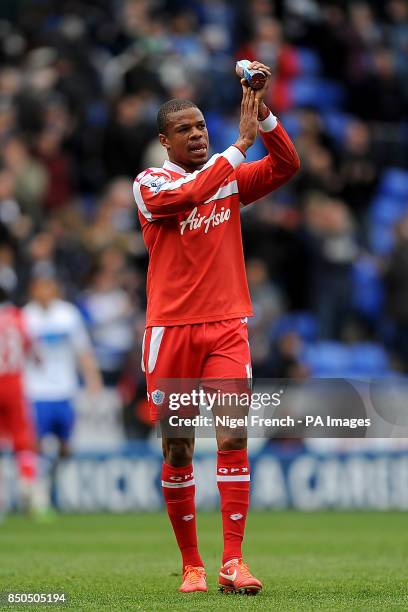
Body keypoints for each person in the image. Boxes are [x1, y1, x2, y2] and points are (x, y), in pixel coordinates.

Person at [133, 61, 300, 594]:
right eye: (185, 129)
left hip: (227, 327)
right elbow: (186, 197)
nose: (198, 134)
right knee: (178, 448)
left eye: (202, 126)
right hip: (172, 332)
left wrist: (263, 113)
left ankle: (233, 562)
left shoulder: (226, 181)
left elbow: (287, 165)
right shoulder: (150, 183)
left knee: (232, 436)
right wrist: (237, 147)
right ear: (165, 140)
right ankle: (192, 565)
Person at [23, 273, 102, 512]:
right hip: (36, 391)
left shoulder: (68, 314)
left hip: (65, 390)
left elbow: (83, 350)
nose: (44, 291)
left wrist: (93, 380)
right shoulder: (26, 317)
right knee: (34, 445)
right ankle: (37, 494)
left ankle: (52, 484)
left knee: (65, 447)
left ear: (54, 288)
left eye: (48, 286)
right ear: (33, 290)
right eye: (40, 287)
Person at [0, 276, 37, 513]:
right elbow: (30, 346)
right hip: (14, 382)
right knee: (22, 439)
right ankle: (27, 486)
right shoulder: (18, 317)